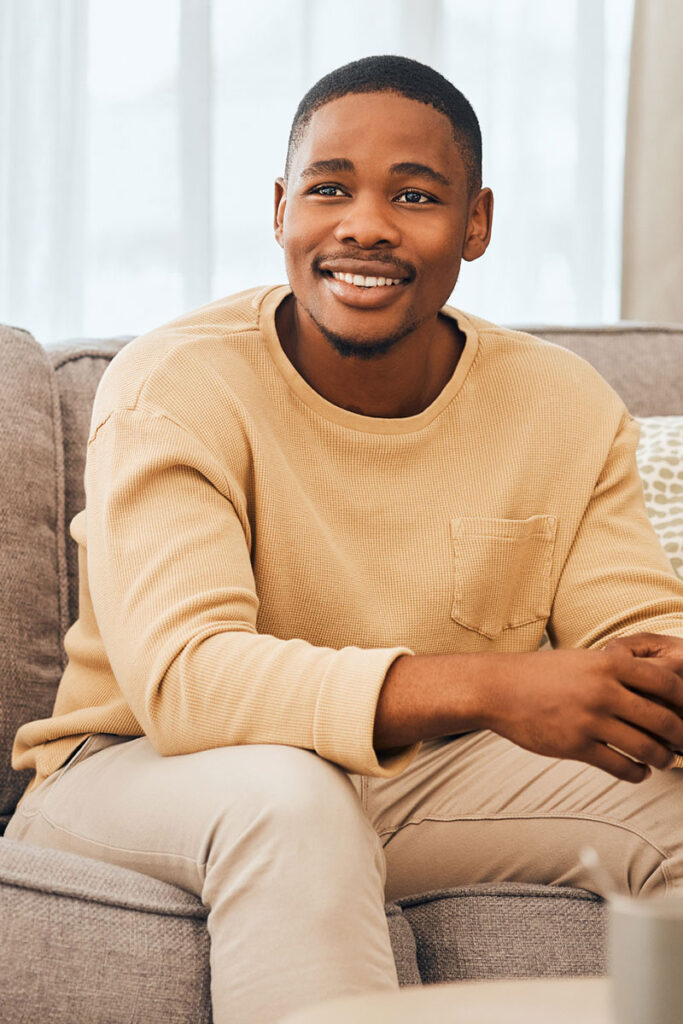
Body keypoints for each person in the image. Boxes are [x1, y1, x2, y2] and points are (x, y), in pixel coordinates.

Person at [7, 54, 683, 1024]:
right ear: (281, 209)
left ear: (475, 223)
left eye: (413, 193)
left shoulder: (560, 403)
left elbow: (637, 634)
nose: (364, 223)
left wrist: (654, 678)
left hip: (402, 773)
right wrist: (493, 686)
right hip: (133, 768)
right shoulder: (173, 386)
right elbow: (189, 679)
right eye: (329, 189)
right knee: (288, 798)